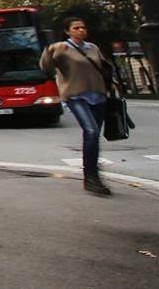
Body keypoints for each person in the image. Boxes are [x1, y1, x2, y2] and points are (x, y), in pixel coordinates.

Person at [40, 16, 119, 196]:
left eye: (83, 27)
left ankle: (92, 175)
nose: (81, 30)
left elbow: (103, 67)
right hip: (75, 96)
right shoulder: (62, 48)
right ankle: (91, 177)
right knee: (90, 131)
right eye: (76, 28)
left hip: (98, 96)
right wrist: (49, 50)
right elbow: (45, 67)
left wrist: (112, 83)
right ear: (68, 31)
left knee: (94, 135)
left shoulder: (93, 48)